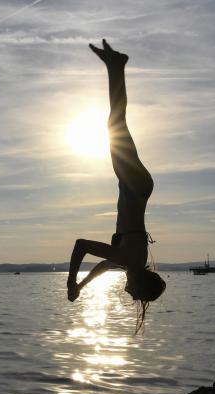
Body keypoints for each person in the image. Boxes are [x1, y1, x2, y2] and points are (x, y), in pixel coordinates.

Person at [67, 39, 166, 331]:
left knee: (115, 125)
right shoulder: (129, 259)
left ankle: (115, 66)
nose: (129, 295)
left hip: (137, 187)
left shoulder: (129, 262)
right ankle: (116, 66)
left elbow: (103, 266)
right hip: (135, 187)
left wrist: (81, 285)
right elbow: (81, 245)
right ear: (140, 284)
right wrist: (70, 280)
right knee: (116, 125)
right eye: (136, 295)